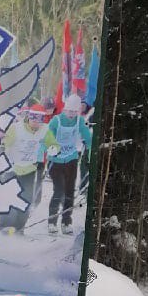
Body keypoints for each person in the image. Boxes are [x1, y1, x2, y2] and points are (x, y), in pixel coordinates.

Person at [44, 93, 93, 236]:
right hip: (56, 161)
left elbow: (88, 138)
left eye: (74, 111)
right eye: (69, 111)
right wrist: (52, 147)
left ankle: (66, 222)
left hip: (71, 160)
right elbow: (47, 137)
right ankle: (52, 221)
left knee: (69, 192)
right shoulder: (56, 121)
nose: (71, 114)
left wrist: (91, 151)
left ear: (78, 111)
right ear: (65, 109)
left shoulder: (79, 121)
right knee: (59, 191)